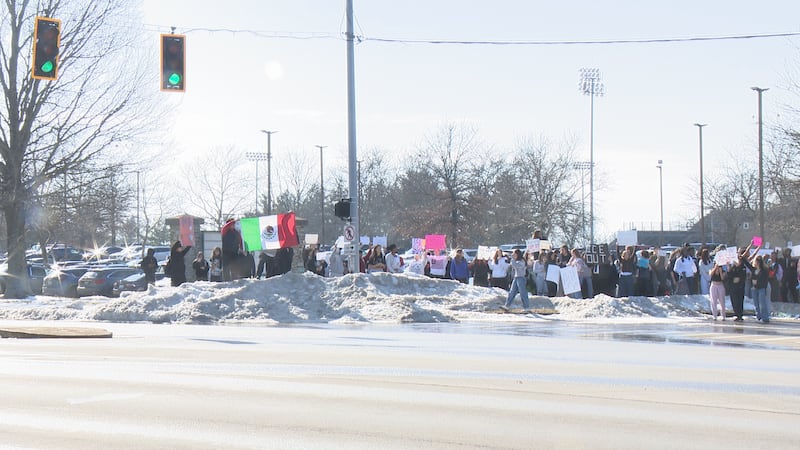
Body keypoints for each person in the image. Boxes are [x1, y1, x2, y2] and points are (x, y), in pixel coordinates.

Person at [750, 254, 771, 323]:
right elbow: (746, 263)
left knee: (762, 303)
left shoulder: (764, 270)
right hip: (754, 288)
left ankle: (765, 318)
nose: (755, 262)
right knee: (756, 304)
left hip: (761, 288)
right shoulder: (753, 269)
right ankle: (758, 316)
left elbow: (765, 280)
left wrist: (758, 282)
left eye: (757, 261)